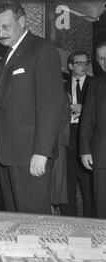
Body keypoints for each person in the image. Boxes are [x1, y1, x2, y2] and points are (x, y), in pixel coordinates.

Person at [0, 1, 66, 214]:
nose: (0, 33)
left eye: (5, 26)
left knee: (34, 220)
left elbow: (51, 105)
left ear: (22, 22)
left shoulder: (42, 50)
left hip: (30, 155)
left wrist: (41, 152)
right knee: (16, 219)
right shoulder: (8, 55)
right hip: (8, 154)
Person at [59, 51, 94, 217]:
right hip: (67, 140)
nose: (84, 66)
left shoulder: (96, 84)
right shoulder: (60, 85)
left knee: (90, 189)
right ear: (70, 66)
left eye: (86, 62)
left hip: (88, 141)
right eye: (80, 63)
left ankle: (93, 227)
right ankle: (68, 225)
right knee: (67, 187)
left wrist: (84, 108)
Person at [79, 41, 106, 219]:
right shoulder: (95, 84)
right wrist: (85, 150)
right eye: (102, 58)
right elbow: (87, 120)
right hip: (102, 156)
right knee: (102, 207)